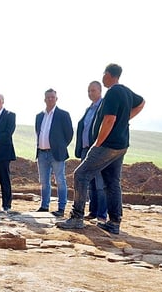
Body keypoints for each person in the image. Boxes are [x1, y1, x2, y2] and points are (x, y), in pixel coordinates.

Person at [59, 63, 145, 234]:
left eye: (103, 74)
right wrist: (125, 118)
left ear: (107, 74)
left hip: (108, 145)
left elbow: (109, 120)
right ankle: (114, 222)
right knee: (112, 181)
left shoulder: (113, 92)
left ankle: (77, 217)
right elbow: (142, 102)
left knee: (81, 174)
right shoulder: (126, 91)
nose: (102, 77)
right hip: (121, 145)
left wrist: (98, 143)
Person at [34, 89, 74, 214]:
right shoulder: (39, 116)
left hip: (56, 153)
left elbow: (69, 134)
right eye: (48, 97)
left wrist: (60, 146)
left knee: (60, 180)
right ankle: (44, 206)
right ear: (44, 99)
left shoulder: (63, 114)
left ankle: (61, 208)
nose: (50, 99)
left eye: (52, 97)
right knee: (44, 181)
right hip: (41, 153)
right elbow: (38, 132)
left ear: (56, 99)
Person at [74, 80, 106, 221]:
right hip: (85, 149)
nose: (90, 93)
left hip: (98, 150)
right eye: (89, 91)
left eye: (93, 90)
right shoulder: (89, 109)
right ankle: (93, 212)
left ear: (100, 91)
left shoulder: (103, 107)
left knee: (100, 183)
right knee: (90, 182)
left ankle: (101, 214)